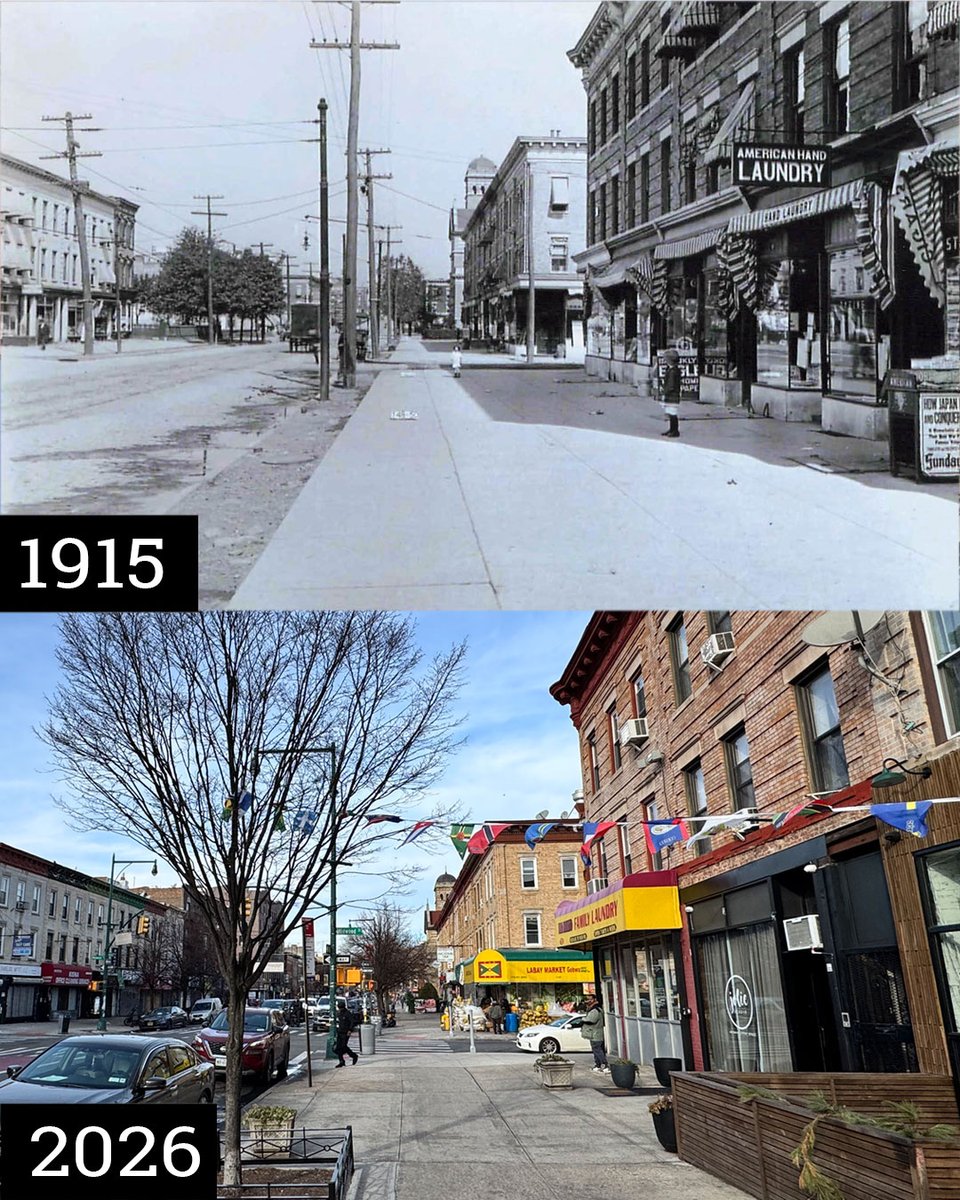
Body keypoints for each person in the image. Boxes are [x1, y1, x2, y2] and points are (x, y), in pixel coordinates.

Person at [580, 995, 609, 1073]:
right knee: (596, 1049)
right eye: (587, 999)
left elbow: (591, 1020)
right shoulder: (595, 1009)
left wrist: (583, 1019)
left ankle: (605, 1065)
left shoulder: (595, 1010)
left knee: (597, 1050)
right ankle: (598, 1065)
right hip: (594, 1034)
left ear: (595, 1000)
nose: (588, 1001)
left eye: (590, 999)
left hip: (596, 1034)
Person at [658, 348, 682, 438]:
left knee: (672, 413)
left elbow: (671, 385)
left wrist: (665, 392)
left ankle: (675, 430)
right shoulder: (674, 369)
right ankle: (672, 429)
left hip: (672, 395)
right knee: (670, 412)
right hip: (673, 395)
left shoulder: (672, 371)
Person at [335, 999, 358, 1067]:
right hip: (340, 1031)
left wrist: (350, 1030)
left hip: (346, 1032)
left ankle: (354, 1056)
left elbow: (352, 1022)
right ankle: (341, 1061)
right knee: (338, 1047)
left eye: (340, 1008)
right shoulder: (339, 1013)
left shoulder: (347, 1013)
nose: (340, 1009)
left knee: (343, 1046)